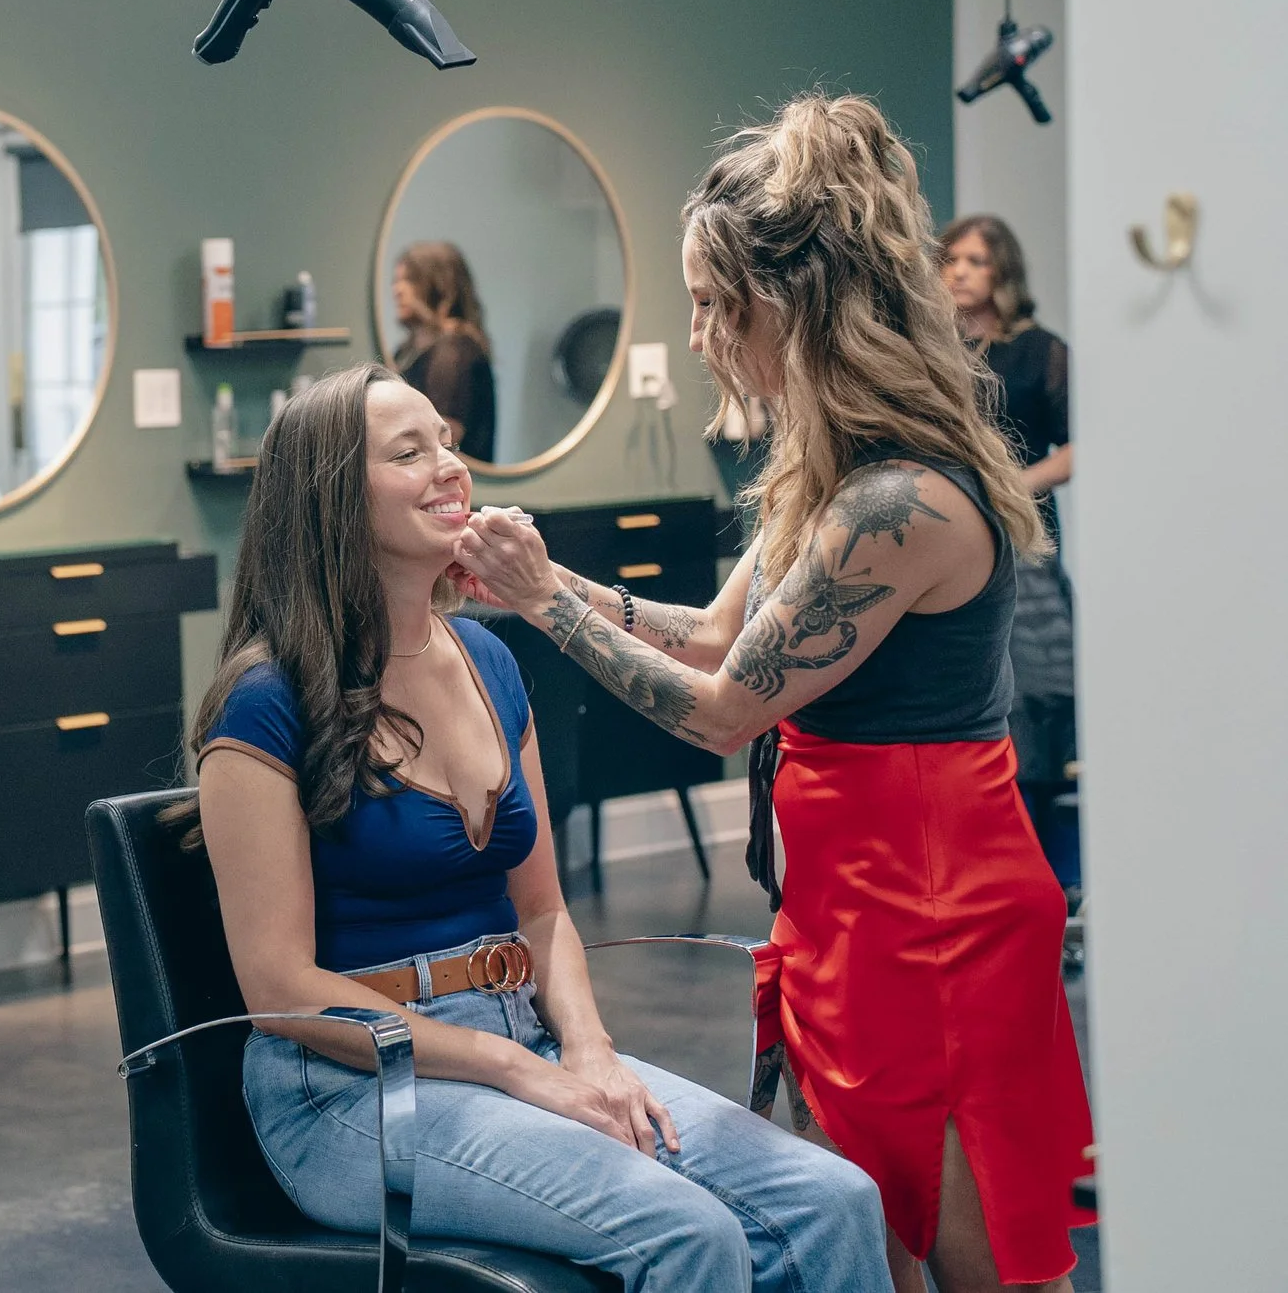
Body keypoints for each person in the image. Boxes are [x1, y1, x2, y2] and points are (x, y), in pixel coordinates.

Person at [452, 95, 1093, 1293]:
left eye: (712, 304)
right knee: (863, 1244)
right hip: (851, 914)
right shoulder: (833, 474)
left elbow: (720, 710)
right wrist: (534, 581)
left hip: (935, 925)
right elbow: (714, 636)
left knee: (990, 1270)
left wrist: (543, 604)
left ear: (788, 305)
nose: (697, 335)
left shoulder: (900, 502)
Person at [184, 362, 889, 1292]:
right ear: (330, 501)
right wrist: (512, 1070)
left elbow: (545, 911)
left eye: (447, 441)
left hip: (523, 1035)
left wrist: (589, 1049)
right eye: (409, 453)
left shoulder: (489, 662)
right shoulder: (264, 702)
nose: (450, 466)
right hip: (350, 1089)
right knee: (687, 1236)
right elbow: (282, 987)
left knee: (833, 1200)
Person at [941, 214, 1080, 892]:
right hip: (949, 544)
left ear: (1004, 272)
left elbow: (1081, 445)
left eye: (976, 260)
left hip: (1024, 544)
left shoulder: (1039, 352)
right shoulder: (933, 353)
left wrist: (1013, 486)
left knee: (1037, 702)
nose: (960, 272)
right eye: (951, 259)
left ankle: (1043, 877)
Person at [389, 241, 497, 462]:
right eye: (397, 281)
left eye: (410, 280)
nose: (398, 290)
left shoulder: (455, 350)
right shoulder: (406, 351)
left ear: (440, 286)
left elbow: (445, 436)